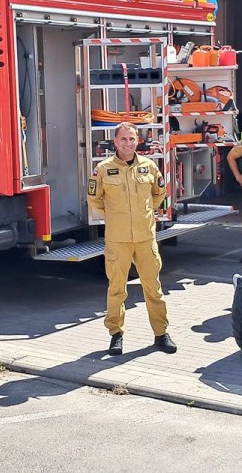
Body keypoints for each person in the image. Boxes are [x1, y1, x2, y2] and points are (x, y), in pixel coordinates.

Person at [87, 122, 177, 355]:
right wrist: (116, 216)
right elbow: (94, 199)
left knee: (153, 287)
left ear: (138, 141)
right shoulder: (103, 169)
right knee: (117, 288)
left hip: (145, 236)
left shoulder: (149, 166)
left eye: (132, 139)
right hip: (118, 239)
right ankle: (116, 334)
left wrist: (143, 214)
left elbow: (159, 193)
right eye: (123, 139)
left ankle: (161, 333)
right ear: (115, 142)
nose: (128, 143)